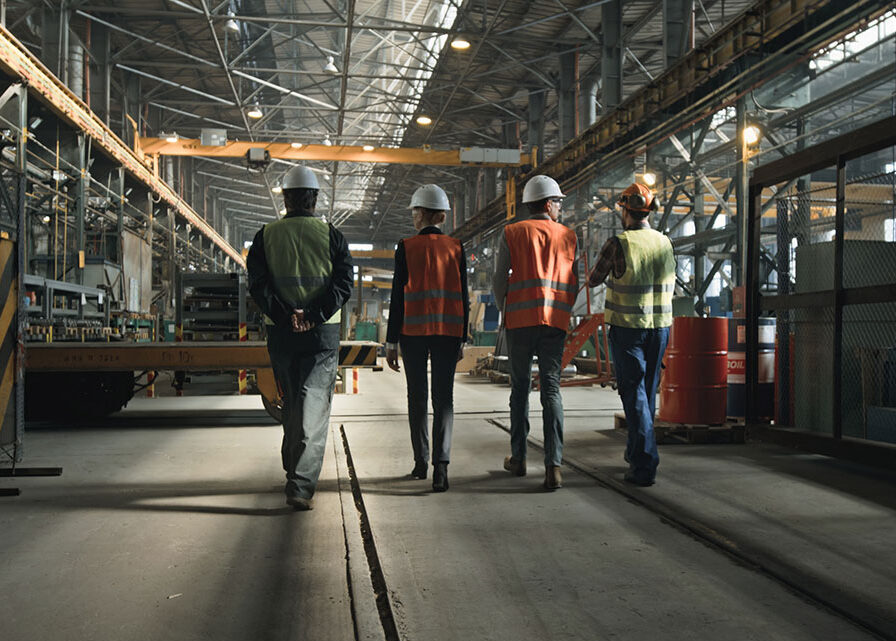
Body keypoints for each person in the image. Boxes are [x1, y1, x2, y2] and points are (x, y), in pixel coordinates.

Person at [247, 165, 353, 510]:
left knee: (293, 402)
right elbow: (343, 285)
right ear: (314, 199)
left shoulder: (265, 236)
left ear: (286, 199)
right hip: (321, 333)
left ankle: (295, 471)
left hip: (281, 332)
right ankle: (301, 485)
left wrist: (285, 315)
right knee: (313, 406)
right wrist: (314, 315)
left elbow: (258, 286)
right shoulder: (332, 236)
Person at [492, 175, 578, 491]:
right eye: (557, 202)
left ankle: (518, 458)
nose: (559, 207)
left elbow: (499, 280)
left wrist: (507, 309)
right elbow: (573, 284)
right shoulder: (569, 236)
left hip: (519, 322)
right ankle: (553, 466)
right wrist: (562, 312)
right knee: (552, 388)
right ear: (546, 203)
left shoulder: (512, 233)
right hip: (554, 322)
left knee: (520, 388)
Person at [588, 182, 674, 487]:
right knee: (647, 394)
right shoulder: (665, 242)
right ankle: (636, 450)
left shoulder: (618, 243)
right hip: (660, 328)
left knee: (634, 394)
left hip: (628, 330)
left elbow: (593, 279)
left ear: (625, 211)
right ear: (648, 211)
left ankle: (644, 464)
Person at [386, 184, 469, 492]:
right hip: (448, 333)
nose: (412, 217)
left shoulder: (406, 247)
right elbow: (463, 294)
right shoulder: (456, 247)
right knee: (444, 398)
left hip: (413, 333)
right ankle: (441, 467)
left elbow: (397, 297)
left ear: (421, 213)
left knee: (417, 397)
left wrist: (391, 341)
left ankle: (421, 461)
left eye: (414, 212)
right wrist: (463, 337)